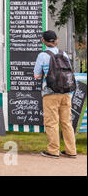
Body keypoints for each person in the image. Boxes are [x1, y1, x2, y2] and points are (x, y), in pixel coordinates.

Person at [34, 30, 77, 159]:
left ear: (43, 41)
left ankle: (53, 150)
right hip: (66, 92)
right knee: (66, 122)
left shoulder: (42, 55)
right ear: (56, 40)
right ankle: (71, 150)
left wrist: (44, 73)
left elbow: (36, 75)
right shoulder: (63, 54)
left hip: (50, 93)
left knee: (51, 122)